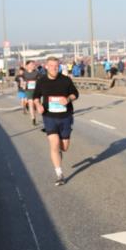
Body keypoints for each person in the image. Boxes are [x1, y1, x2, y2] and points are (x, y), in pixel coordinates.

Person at [33, 56, 80, 187]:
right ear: (46, 66)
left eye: (56, 66)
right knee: (53, 144)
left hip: (65, 117)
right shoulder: (41, 81)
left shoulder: (65, 80)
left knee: (64, 147)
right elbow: (36, 96)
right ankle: (59, 174)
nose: (54, 68)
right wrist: (38, 105)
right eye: (51, 65)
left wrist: (68, 99)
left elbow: (75, 94)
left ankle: (59, 152)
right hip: (49, 117)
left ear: (59, 66)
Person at [21, 60, 42, 125]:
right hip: (28, 90)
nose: (33, 66)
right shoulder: (24, 73)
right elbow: (22, 81)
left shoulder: (37, 72)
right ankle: (33, 118)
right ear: (27, 66)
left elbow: (41, 80)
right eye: (31, 65)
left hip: (36, 90)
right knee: (31, 103)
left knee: (35, 104)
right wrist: (23, 85)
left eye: (33, 65)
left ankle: (34, 114)